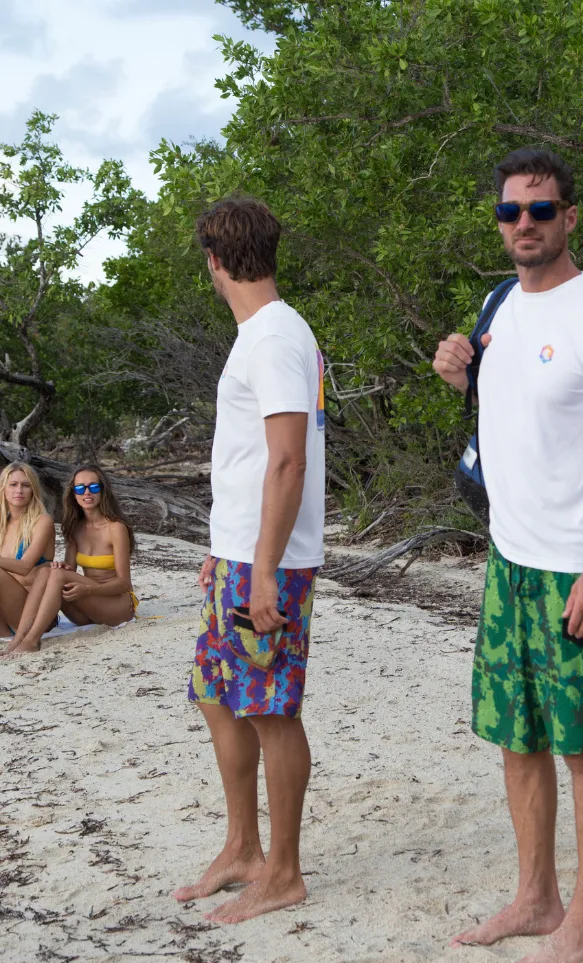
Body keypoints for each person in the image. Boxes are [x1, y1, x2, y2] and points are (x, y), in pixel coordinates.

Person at [432, 148, 583, 963]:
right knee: (515, 737)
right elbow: (510, 407)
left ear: (571, 218)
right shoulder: (501, 305)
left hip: (575, 566)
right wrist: (456, 364)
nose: (523, 224)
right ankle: (537, 898)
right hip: (510, 558)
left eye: (540, 210)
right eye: (509, 211)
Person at [176, 197, 326, 925]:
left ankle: (284, 872)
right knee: (215, 691)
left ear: (213, 260)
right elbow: (245, 461)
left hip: (270, 562)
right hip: (236, 553)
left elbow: (287, 461)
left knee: (270, 709)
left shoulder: (273, 338)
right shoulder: (261, 334)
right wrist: (224, 554)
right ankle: (242, 846)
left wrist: (263, 569)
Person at [4, 465, 137, 656]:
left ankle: (31, 640)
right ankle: (19, 639)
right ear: (73, 494)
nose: (87, 493)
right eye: (80, 488)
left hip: (116, 605)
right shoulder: (75, 527)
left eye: (94, 487)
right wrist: (56, 566)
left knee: (55, 574)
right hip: (84, 611)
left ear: (103, 490)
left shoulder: (116, 527)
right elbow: (68, 571)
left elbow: (124, 584)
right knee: (47, 570)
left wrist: (88, 589)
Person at [0, 463, 56, 639]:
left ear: (33, 490)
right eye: (13, 484)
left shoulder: (42, 522)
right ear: (3, 488)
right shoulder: (2, 525)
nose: (19, 490)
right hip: (5, 619)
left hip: (34, 616)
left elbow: (25, 567)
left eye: (26, 485)